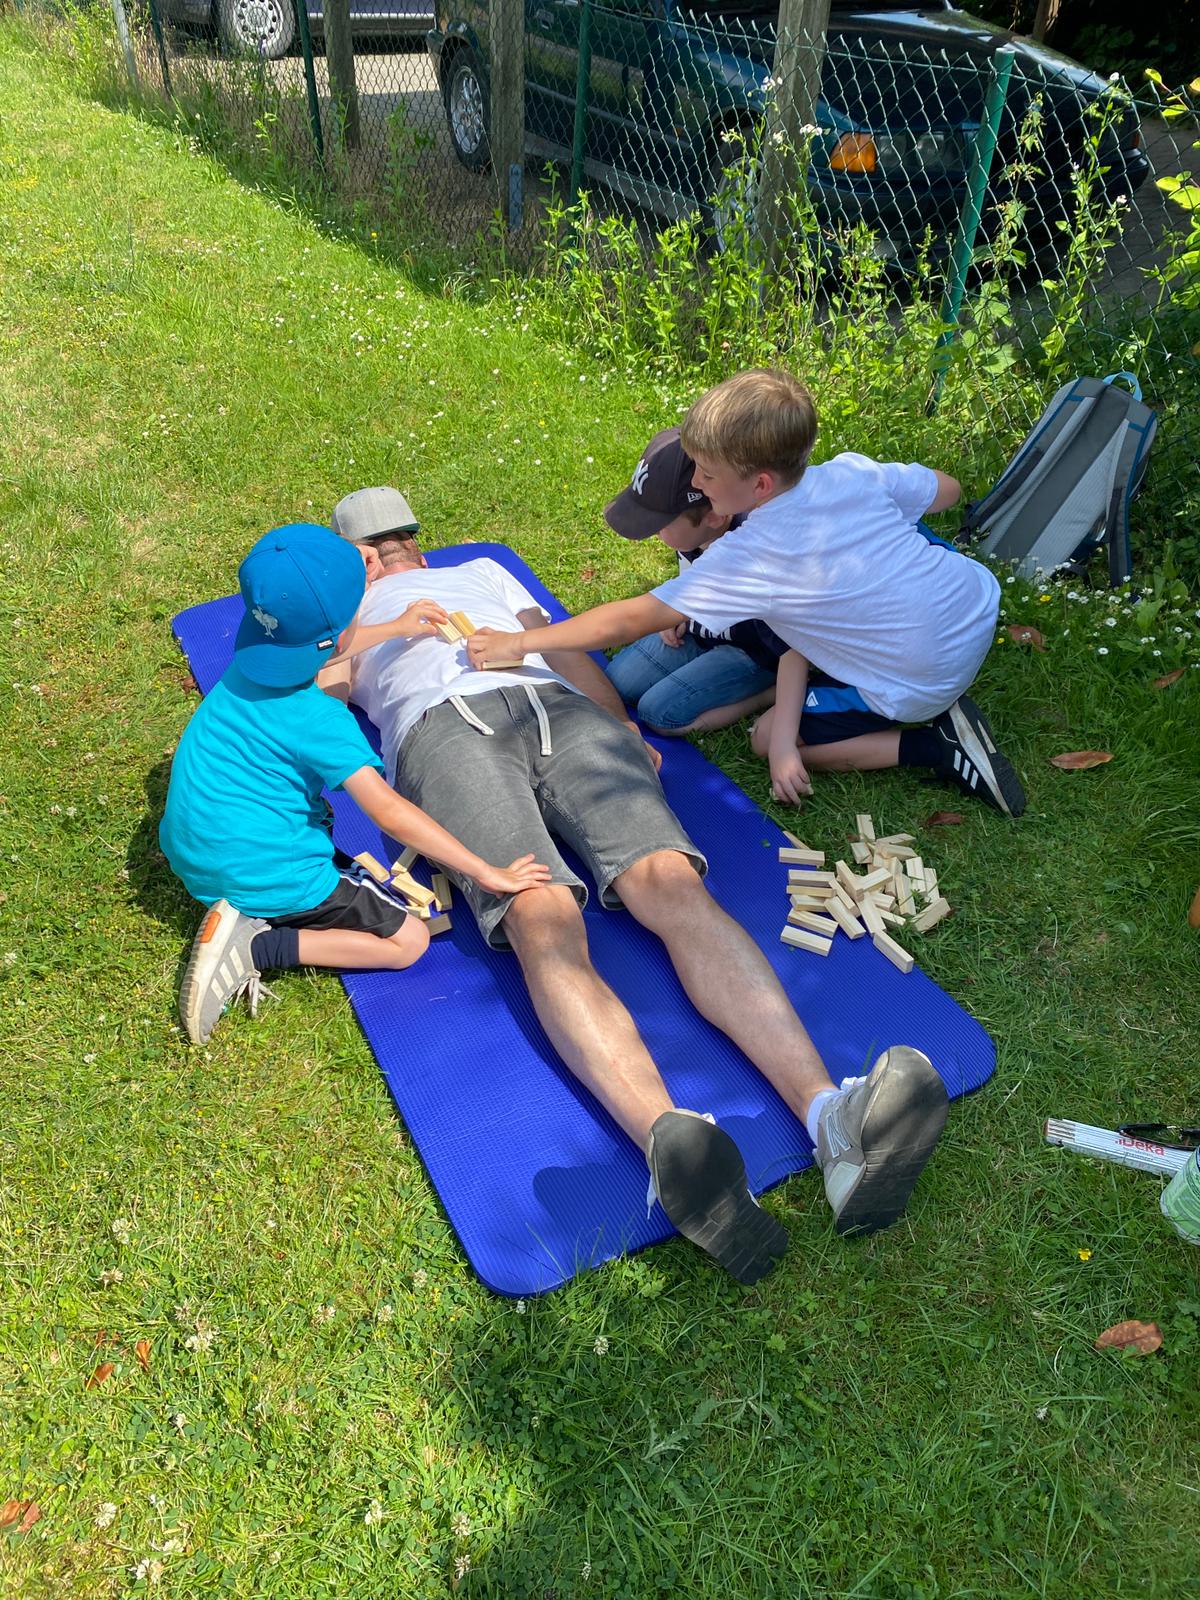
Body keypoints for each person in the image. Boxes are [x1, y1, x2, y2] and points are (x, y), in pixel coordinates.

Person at [319, 485, 951, 1286]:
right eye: (375, 549)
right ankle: (673, 1150)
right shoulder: (340, 615)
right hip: (444, 731)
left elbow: (562, 646)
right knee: (540, 914)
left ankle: (834, 1123)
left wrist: (615, 717)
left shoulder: (480, 570)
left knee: (671, 883)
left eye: (400, 538)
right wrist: (378, 624)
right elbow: (308, 683)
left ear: (417, 536)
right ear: (354, 559)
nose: (393, 553)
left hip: (560, 709)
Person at [468, 369, 1026, 818]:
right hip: (973, 598)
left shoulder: (757, 553)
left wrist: (518, 643)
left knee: (767, 739)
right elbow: (947, 490)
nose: (698, 483)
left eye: (707, 474)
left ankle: (935, 746)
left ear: (759, 484)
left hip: (917, 679)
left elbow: (630, 619)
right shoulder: (850, 472)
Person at [159, 523, 550, 1047]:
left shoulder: (254, 658)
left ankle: (251, 915)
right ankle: (257, 945)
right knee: (409, 941)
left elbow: (327, 645)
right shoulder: (320, 720)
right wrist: (485, 871)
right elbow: (389, 812)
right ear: (339, 635)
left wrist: (396, 626)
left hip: (195, 851)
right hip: (266, 875)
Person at [602, 426, 786, 735]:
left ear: (715, 515)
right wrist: (677, 612)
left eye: (661, 525)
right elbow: (690, 578)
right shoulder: (695, 532)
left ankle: (770, 692)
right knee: (619, 681)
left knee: (660, 715)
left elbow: (782, 636)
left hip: (752, 651)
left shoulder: (750, 554)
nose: (654, 533)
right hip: (701, 632)